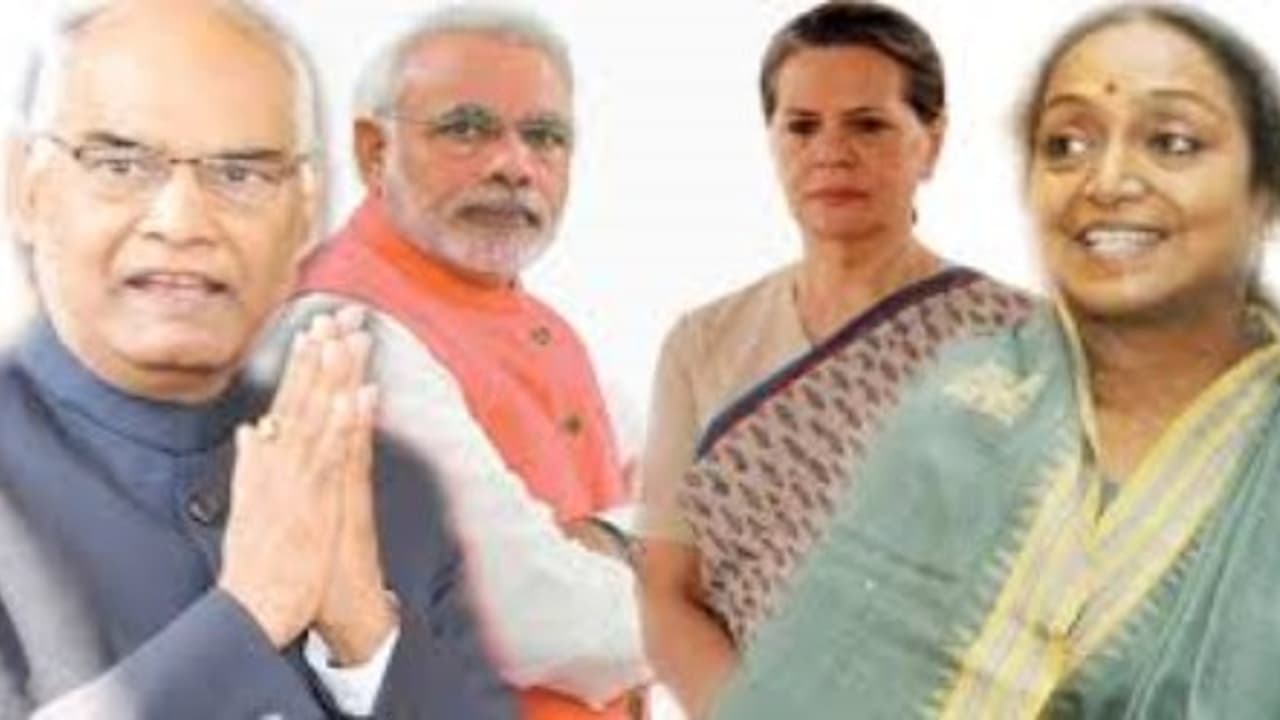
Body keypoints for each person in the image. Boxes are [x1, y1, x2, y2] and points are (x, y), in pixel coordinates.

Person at [712, 3, 1280, 718]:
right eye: (1066, 145)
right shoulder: (962, 403)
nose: (1106, 182)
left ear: (1265, 189)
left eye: (1171, 141)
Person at [0, 1, 512, 717]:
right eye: (122, 165)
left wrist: (366, 636)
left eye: (239, 175)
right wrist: (250, 612)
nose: (182, 223)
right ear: (25, 187)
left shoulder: (389, 488)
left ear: (306, 211)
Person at [636, 2, 1032, 716]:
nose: (831, 153)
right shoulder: (704, 343)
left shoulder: (1022, 340)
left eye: (868, 124)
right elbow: (666, 594)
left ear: (932, 141)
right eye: (802, 126)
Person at [284, 6, 648, 719]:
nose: (513, 166)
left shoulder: (548, 330)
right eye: (466, 129)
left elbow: (717, 512)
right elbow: (526, 615)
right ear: (374, 151)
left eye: (544, 137)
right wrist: (663, 564)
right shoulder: (346, 329)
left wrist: (608, 542)